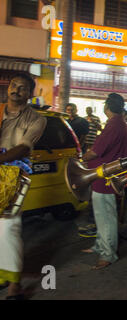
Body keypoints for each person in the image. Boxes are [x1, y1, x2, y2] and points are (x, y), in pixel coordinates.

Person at [0, 73, 47, 299]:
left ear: (30, 94)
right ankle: (3, 276)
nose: (16, 90)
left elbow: (24, 147)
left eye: (23, 88)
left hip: (13, 177)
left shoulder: (36, 119)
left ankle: (14, 286)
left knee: (8, 229)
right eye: (13, 85)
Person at [81, 93, 127, 270]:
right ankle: (101, 245)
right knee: (102, 216)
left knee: (106, 217)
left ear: (107, 107)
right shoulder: (122, 124)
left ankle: (108, 254)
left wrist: (83, 157)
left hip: (106, 177)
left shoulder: (114, 125)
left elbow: (96, 151)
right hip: (108, 175)